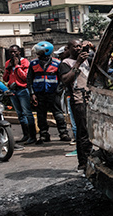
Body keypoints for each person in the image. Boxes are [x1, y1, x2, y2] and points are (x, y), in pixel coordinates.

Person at [26, 41, 71, 144]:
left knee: (58, 114)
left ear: (47, 51)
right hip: (39, 93)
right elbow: (29, 79)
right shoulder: (33, 63)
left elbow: (62, 78)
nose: (38, 53)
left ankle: (63, 133)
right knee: (41, 115)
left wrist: (59, 90)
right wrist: (32, 93)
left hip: (53, 93)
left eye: (40, 51)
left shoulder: (57, 63)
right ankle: (44, 134)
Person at [59, 39, 92, 172]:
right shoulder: (65, 63)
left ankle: (91, 158)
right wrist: (77, 63)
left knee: (90, 130)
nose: (78, 49)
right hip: (77, 99)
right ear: (69, 48)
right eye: (75, 47)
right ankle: (83, 162)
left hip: (89, 98)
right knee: (82, 131)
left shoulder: (87, 61)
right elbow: (66, 79)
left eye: (80, 46)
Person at [3, 44, 36, 145]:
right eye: (11, 52)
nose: (13, 54)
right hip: (13, 91)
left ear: (19, 52)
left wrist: (17, 66)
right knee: (20, 114)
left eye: (15, 52)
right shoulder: (8, 63)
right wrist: (8, 69)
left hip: (22, 90)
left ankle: (32, 135)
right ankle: (25, 135)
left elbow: (25, 77)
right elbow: (5, 79)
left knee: (27, 112)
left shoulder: (24, 62)